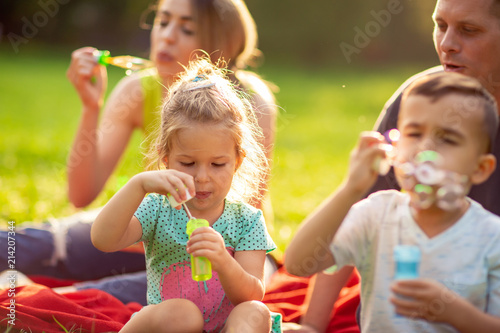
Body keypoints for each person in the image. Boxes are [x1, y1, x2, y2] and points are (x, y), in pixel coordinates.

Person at [0, 0, 278, 305]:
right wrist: (91, 107)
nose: (167, 37)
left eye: (186, 28)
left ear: (222, 43)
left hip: (225, 250)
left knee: (181, 291)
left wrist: (155, 235)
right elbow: (81, 196)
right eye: (163, 22)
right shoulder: (139, 90)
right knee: (16, 245)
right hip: (142, 230)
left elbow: (228, 208)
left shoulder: (249, 102)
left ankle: (37, 297)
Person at [285, 0, 500, 331]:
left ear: (482, 166)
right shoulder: (421, 97)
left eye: (469, 30)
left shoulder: (490, 238)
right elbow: (302, 262)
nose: (447, 44)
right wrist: (313, 324)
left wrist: (453, 313)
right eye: (440, 26)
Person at [92, 58, 276, 332]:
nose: (202, 177)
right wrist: (138, 185)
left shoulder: (247, 220)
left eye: (217, 164)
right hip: (172, 326)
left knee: (255, 313)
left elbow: (250, 294)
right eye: (188, 163)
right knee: (184, 314)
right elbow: (103, 240)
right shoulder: (157, 209)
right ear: (166, 159)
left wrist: (224, 261)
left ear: (237, 161)